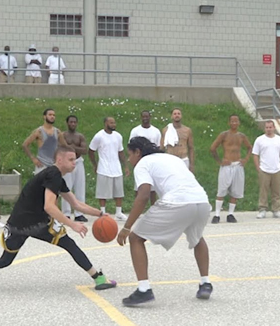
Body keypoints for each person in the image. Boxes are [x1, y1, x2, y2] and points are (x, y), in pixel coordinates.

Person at [0, 145, 117, 292]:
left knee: (5, 260)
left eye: (75, 159)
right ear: (59, 159)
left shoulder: (53, 175)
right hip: (37, 223)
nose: (75, 162)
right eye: (71, 159)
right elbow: (49, 207)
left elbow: (76, 204)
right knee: (70, 244)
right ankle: (99, 278)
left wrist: (100, 214)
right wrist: (72, 224)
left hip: (17, 223)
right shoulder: (54, 175)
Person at [117, 137, 212, 306]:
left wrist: (126, 227)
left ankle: (144, 290)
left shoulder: (143, 163)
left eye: (129, 155)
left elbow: (144, 194)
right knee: (197, 238)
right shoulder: (171, 158)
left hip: (178, 202)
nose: (129, 159)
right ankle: (205, 283)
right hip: (201, 201)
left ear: (138, 152)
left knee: (135, 238)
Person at [209, 114, 252, 224]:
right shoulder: (224, 135)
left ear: (239, 123)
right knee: (222, 189)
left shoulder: (241, 136)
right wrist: (220, 161)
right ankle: (217, 214)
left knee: (235, 190)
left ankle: (230, 214)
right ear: (229, 122)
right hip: (227, 165)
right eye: (232, 121)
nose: (234, 123)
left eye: (236, 121)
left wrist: (245, 159)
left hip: (237, 165)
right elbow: (213, 148)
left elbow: (249, 147)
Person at [88, 117, 130, 221]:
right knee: (103, 192)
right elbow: (91, 151)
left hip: (116, 168)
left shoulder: (118, 136)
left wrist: (125, 166)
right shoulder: (99, 136)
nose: (114, 124)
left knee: (119, 192)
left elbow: (121, 152)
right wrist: (95, 164)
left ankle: (118, 212)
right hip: (103, 168)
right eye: (111, 123)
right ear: (105, 123)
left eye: (114, 123)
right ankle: (103, 211)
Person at [252, 120, 280, 219]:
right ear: (265, 128)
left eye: (270, 127)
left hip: (276, 169)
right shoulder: (259, 140)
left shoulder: (279, 140)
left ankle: (276, 209)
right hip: (264, 169)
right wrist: (258, 168)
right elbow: (255, 154)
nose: (269, 129)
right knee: (263, 190)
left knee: (276, 191)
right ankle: (262, 209)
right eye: (267, 127)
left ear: (274, 128)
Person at [129, 110, 161, 205]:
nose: (145, 118)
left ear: (150, 117)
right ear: (141, 117)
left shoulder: (156, 131)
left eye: (147, 116)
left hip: (152, 161)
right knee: (138, 186)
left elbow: (158, 147)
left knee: (152, 187)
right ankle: (137, 206)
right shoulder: (135, 131)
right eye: (143, 116)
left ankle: (153, 207)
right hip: (140, 161)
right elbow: (131, 146)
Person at [22, 108, 68, 174]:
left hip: (54, 164)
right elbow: (25, 145)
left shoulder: (57, 132)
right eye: (50, 115)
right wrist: (33, 159)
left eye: (54, 115)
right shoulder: (39, 131)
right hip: (41, 165)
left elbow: (65, 146)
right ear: (44, 116)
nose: (52, 117)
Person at [61, 115, 88, 222]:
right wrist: (73, 148)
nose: (73, 124)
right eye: (71, 122)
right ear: (67, 123)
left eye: (74, 122)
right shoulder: (62, 135)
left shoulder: (80, 136)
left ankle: (79, 213)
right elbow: (60, 148)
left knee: (80, 187)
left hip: (78, 162)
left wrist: (71, 147)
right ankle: (66, 213)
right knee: (66, 187)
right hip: (67, 162)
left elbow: (84, 150)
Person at [161, 108, 195, 172]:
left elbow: (191, 148)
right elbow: (162, 147)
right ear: (172, 116)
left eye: (178, 114)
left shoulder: (187, 130)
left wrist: (192, 165)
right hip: (170, 159)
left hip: (183, 159)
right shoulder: (166, 130)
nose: (177, 115)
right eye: (175, 114)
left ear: (181, 116)